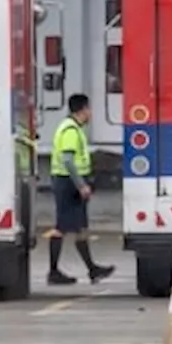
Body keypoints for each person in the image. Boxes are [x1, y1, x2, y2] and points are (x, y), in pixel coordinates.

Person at [47, 93, 115, 285]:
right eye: (89, 109)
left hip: (69, 182)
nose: (90, 113)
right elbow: (68, 160)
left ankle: (92, 269)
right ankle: (54, 272)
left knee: (81, 228)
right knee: (62, 228)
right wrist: (81, 185)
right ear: (83, 109)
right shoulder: (70, 130)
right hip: (67, 183)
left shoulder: (73, 128)